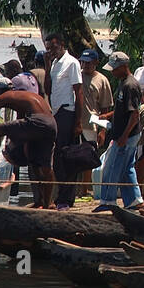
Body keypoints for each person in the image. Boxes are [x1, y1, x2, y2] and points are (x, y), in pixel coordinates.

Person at [0, 78, 57, 210]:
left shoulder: (3, 97)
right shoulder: (24, 97)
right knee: (41, 165)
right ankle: (46, 203)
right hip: (51, 124)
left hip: (37, 122)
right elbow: (22, 126)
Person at [93, 51, 144, 212]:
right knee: (126, 168)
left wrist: (124, 136)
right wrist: (107, 116)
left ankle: (108, 200)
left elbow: (134, 114)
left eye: (115, 69)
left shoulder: (130, 85)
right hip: (125, 133)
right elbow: (122, 109)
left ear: (124, 67)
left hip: (127, 135)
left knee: (112, 166)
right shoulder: (123, 83)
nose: (113, 72)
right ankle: (135, 200)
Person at [43, 32, 83, 210]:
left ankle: (66, 198)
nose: (50, 50)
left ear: (61, 44)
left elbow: (79, 93)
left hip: (68, 112)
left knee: (66, 156)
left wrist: (78, 122)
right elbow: (48, 89)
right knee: (58, 156)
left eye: (52, 47)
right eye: (48, 48)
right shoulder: (55, 64)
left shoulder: (71, 62)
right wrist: (47, 64)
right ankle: (62, 197)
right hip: (56, 113)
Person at [77, 49, 114, 143]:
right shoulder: (76, 76)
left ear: (96, 62)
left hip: (91, 126)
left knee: (89, 154)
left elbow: (105, 108)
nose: (85, 65)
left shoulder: (102, 80)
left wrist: (102, 131)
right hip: (75, 124)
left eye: (88, 62)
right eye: (83, 62)